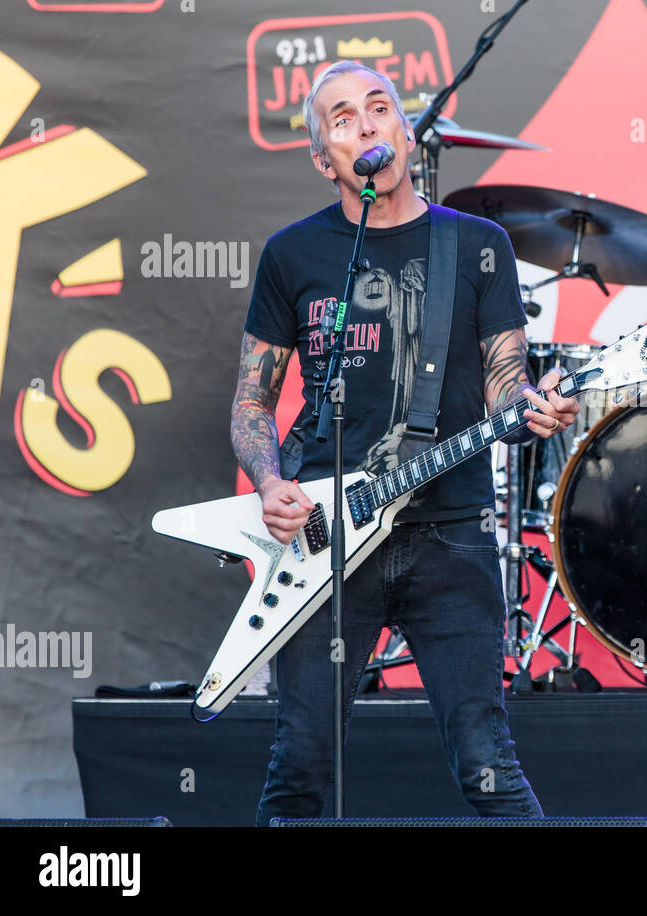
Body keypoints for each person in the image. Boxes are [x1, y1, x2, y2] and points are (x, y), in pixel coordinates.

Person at [231, 60, 578, 824]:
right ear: (325, 157)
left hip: (450, 534)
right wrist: (267, 483)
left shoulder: (479, 245)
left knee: (488, 762)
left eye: (380, 107)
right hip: (324, 541)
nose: (366, 123)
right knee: (300, 765)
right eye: (343, 116)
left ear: (406, 133)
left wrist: (532, 409)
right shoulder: (293, 255)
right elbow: (252, 403)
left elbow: (504, 384)